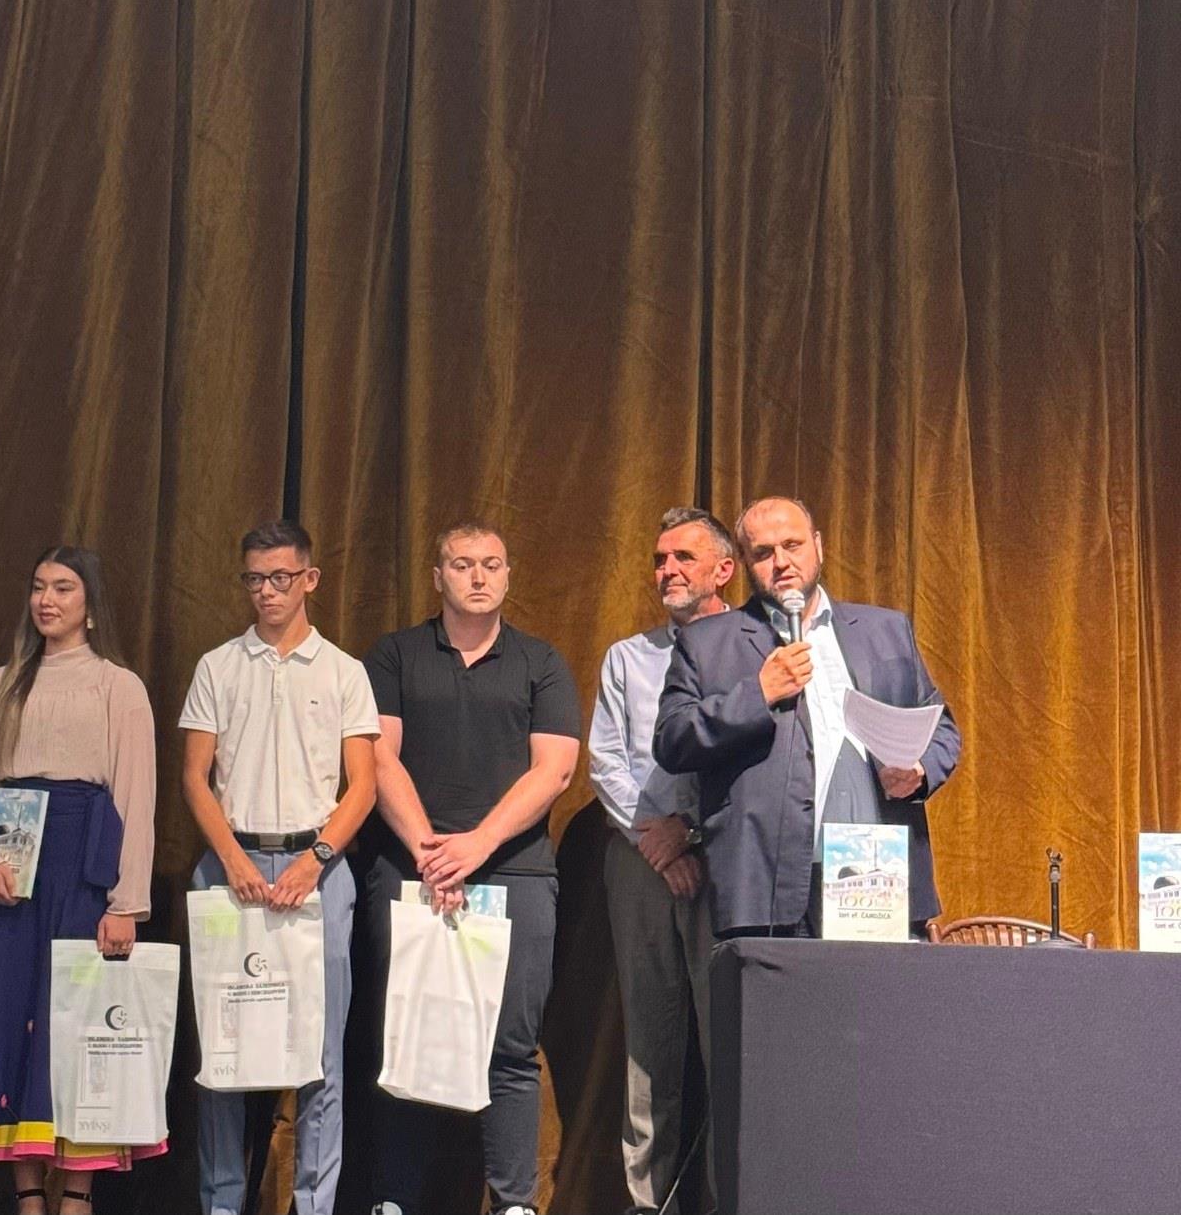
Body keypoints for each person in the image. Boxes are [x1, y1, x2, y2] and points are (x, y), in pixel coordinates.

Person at [363, 521, 581, 1215]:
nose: (479, 577)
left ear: (509, 574)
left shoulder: (541, 661)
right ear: (438, 577)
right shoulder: (395, 655)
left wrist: (477, 846)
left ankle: (514, 1203)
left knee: (511, 1048)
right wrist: (432, 851)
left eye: (491, 564)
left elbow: (555, 769)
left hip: (514, 874)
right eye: (462, 564)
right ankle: (394, 1200)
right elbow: (376, 757)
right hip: (411, 869)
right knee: (405, 1039)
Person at [0, 546, 160, 1215]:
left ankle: (77, 1196)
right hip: (12, 877)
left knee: (75, 1027)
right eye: (39, 586)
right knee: (13, 1024)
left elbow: (137, 800)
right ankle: (29, 1195)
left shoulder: (118, 687)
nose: (47, 600)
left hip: (81, 876)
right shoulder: (1, 683)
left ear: (90, 605)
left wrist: (125, 903)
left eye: (63, 588)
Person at [180, 520, 379, 1215]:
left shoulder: (344, 671)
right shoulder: (217, 666)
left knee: (321, 1053)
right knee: (223, 1053)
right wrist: (232, 858)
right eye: (255, 579)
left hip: (317, 869)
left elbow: (363, 786)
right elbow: (195, 777)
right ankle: (222, 1202)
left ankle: (314, 1203)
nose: (267, 591)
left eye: (281, 578)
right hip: (229, 866)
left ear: (309, 580)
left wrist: (316, 858)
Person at [653, 496, 962, 936]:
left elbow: (941, 726)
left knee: (878, 985)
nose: (781, 562)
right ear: (744, 563)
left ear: (818, 546)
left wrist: (919, 770)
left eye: (792, 545)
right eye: (763, 552)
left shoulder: (885, 630)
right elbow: (671, 739)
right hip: (768, 888)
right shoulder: (708, 642)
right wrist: (758, 693)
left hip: (879, 877)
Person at [588, 507, 736, 1215]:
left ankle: (731, 1198)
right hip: (640, 862)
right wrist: (655, 837)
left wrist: (692, 834)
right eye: (659, 559)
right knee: (649, 1042)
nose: (667, 570)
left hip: (725, 864)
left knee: (728, 1037)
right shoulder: (628, 657)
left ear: (724, 570)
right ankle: (650, 1203)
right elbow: (605, 761)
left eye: (683, 557)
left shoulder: (759, 649)